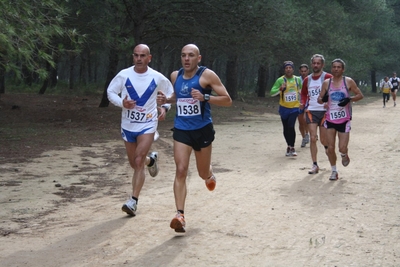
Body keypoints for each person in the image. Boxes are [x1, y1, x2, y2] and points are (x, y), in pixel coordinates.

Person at [157, 44, 232, 233]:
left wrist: (206, 97)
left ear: (199, 58)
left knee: (201, 172)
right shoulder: (176, 76)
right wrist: (167, 100)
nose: (186, 59)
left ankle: (209, 174)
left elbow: (227, 100)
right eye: (183, 55)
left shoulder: (207, 76)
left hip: (202, 130)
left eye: (191, 55)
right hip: (182, 129)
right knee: (181, 170)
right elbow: (179, 96)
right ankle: (179, 215)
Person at [107, 44, 174, 216]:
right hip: (128, 125)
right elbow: (111, 92)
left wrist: (165, 108)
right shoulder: (124, 75)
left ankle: (133, 201)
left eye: (142, 56)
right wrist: (122, 102)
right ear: (133, 57)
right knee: (135, 163)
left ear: (149, 58)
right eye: (136, 55)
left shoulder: (157, 77)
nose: (139, 59)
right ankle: (151, 161)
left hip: (148, 124)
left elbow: (170, 93)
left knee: (137, 161)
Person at [317, 58, 364, 180]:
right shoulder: (327, 83)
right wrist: (324, 99)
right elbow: (319, 99)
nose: (336, 69)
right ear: (331, 69)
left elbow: (360, 95)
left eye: (339, 67)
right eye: (334, 67)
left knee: (341, 147)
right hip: (330, 119)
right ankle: (334, 170)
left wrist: (349, 99)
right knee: (330, 148)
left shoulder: (348, 81)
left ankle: (344, 154)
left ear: (343, 69)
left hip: (344, 119)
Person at [300, 54, 333, 175]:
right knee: (313, 138)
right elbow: (303, 94)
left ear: (322, 65)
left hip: (324, 112)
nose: (316, 65)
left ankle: (328, 152)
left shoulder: (328, 77)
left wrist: (328, 102)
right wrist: (303, 104)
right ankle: (314, 164)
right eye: (314, 63)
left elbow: (335, 91)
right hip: (311, 111)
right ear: (311, 64)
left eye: (318, 63)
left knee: (324, 140)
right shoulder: (307, 80)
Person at [270, 61, 302, 156]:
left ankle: (292, 147)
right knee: (286, 127)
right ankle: (288, 145)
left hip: (295, 107)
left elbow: (303, 91)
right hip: (284, 108)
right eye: (286, 68)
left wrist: (302, 100)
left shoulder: (297, 80)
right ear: (284, 70)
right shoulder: (280, 80)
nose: (288, 69)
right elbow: (272, 93)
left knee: (291, 126)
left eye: (290, 68)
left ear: (293, 69)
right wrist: (280, 89)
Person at [298, 64, 310, 147]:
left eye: (305, 71)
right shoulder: (297, 80)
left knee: (306, 121)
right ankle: (304, 138)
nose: (303, 73)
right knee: (300, 122)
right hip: (299, 103)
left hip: (309, 103)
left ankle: (307, 134)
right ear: (299, 72)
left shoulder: (311, 79)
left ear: (308, 71)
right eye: (302, 71)